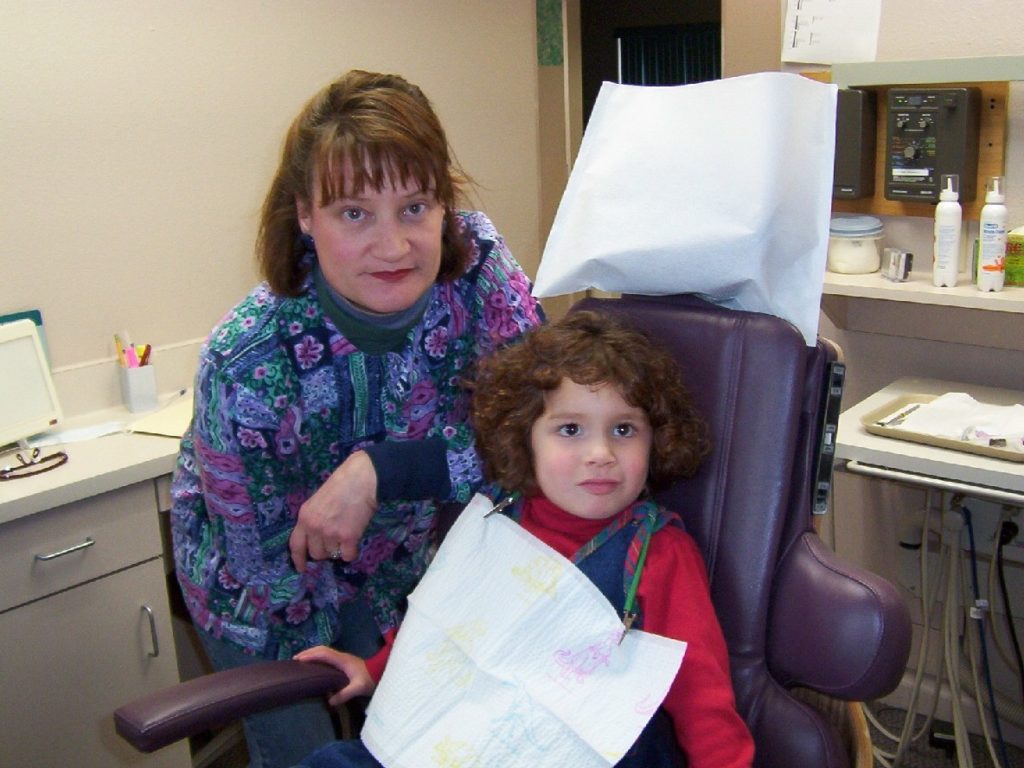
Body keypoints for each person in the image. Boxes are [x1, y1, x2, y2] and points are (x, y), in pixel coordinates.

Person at [169, 69, 544, 768]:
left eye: (415, 207)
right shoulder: (249, 360)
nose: (395, 246)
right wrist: (349, 659)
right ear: (304, 215)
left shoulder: (481, 269)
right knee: (308, 753)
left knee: (428, 737)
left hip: (402, 556)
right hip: (259, 587)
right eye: (353, 214)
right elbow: (266, 570)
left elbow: (538, 430)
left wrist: (381, 471)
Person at [293, 310, 755, 768]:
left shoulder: (659, 553)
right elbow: (444, 626)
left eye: (624, 429)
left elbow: (704, 703)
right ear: (525, 437)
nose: (601, 454)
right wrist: (374, 670)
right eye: (570, 430)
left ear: (656, 441)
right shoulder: (497, 515)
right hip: (464, 737)